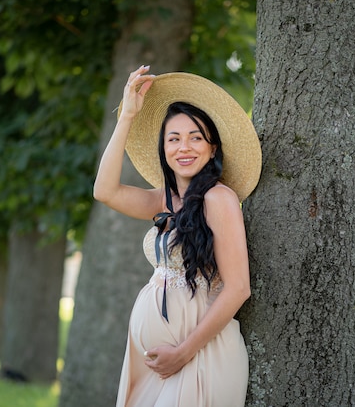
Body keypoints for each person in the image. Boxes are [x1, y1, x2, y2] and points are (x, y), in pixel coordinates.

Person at [93, 65, 262, 407]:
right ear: (164, 150)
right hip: (157, 364)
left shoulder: (219, 199)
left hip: (201, 355)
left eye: (195, 137)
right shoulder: (163, 200)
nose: (184, 147)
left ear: (213, 148)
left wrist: (182, 353)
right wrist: (127, 116)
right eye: (174, 139)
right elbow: (104, 191)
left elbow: (238, 287)